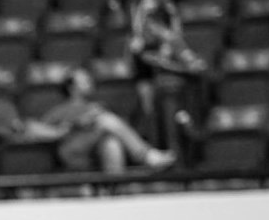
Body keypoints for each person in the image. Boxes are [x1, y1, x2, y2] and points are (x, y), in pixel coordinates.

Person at [126, 0, 208, 159]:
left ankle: (181, 152)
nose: (149, 26)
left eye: (152, 21)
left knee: (171, 94)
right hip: (162, 90)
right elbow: (146, 60)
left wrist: (176, 64)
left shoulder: (174, 40)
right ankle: (166, 154)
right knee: (158, 101)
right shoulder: (146, 48)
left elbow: (196, 66)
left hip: (181, 91)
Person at [38, 67, 174, 171]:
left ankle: (115, 190)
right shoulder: (60, 109)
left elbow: (120, 128)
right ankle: (146, 155)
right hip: (71, 149)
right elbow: (39, 130)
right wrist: (73, 125)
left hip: (95, 149)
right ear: (72, 87)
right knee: (104, 120)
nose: (90, 82)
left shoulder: (97, 106)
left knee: (111, 142)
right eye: (84, 80)